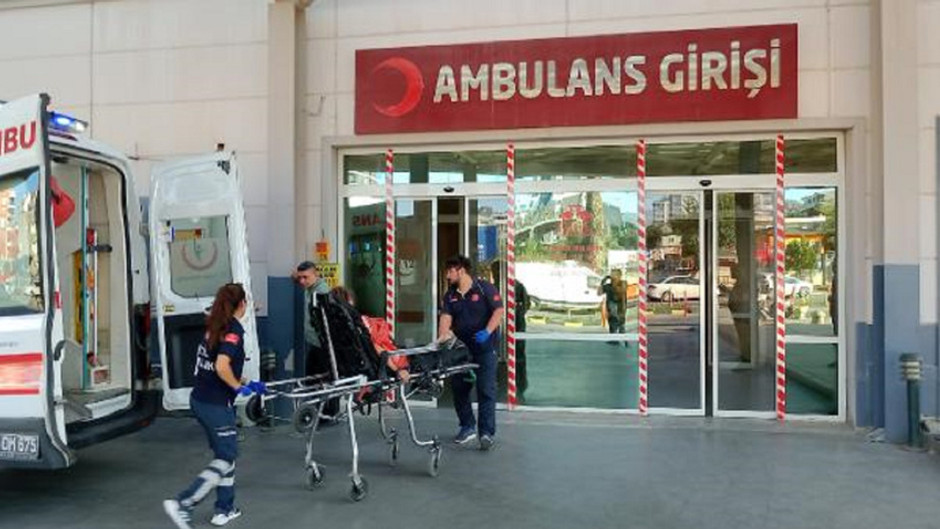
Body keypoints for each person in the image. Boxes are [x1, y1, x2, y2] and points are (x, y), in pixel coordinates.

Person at [163, 283, 265, 529]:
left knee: (224, 455)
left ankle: (224, 509)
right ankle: (183, 502)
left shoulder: (215, 325)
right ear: (242, 304)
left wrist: (247, 382)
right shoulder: (233, 330)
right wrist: (237, 387)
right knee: (227, 456)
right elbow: (221, 366)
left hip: (201, 399)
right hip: (215, 405)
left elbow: (215, 365)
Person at [438, 255, 504, 450]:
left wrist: (488, 331)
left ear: (461, 271)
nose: (448, 275)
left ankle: (486, 433)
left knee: (486, 389)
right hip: (461, 351)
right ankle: (467, 426)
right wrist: (443, 336)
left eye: (450, 271)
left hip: (485, 348)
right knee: (459, 389)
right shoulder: (450, 295)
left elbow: (498, 311)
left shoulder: (484, 288)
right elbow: (446, 318)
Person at [328, 286, 410, 383]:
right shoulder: (357, 325)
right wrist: (397, 370)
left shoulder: (334, 327)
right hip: (377, 365)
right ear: (350, 301)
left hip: (347, 367)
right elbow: (375, 348)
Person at [293, 261, 337, 418]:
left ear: (316, 275)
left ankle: (328, 413)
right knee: (313, 378)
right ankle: (320, 411)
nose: (302, 281)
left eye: (305, 277)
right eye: (300, 278)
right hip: (314, 342)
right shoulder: (310, 288)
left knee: (322, 378)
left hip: (323, 344)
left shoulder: (321, 292)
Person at [490, 260, 530, 403]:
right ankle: (513, 390)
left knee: (513, 359)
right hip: (511, 329)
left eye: (495, 271)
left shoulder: (506, 287)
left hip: (512, 329)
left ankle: (513, 390)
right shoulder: (514, 286)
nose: (495, 274)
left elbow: (525, 305)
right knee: (512, 359)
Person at [598, 269, 626, 334]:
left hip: (620, 309)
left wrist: (614, 282)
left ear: (619, 276)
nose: (612, 277)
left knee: (621, 327)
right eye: (612, 275)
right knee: (612, 326)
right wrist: (602, 283)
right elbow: (599, 293)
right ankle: (613, 335)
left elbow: (620, 291)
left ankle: (622, 336)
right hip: (611, 311)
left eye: (615, 275)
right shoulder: (608, 286)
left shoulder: (623, 283)